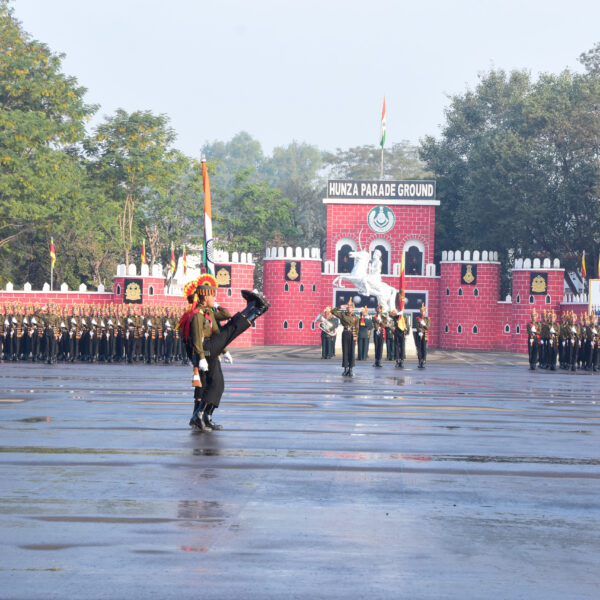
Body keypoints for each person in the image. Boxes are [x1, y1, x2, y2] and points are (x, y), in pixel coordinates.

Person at [179, 274, 270, 432]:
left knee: (218, 384)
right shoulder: (197, 315)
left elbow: (226, 315)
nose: (215, 297)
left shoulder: (208, 312)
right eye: (212, 295)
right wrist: (200, 358)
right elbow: (195, 339)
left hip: (211, 349)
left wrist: (224, 350)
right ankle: (256, 309)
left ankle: (206, 416)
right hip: (205, 350)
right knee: (229, 331)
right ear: (204, 298)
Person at [331, 299, 359, 377]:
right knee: (345, 351)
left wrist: (356, 339)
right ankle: (345, 368)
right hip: (345, 333)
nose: (349, 308)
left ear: (353, 308)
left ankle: (351, 369)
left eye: (350, 307)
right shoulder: (343, 314)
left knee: (352, 352)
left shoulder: (356, 317)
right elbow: (332, 311)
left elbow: (357, 328)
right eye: (348, 307)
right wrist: (341, 306)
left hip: (352, 334)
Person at [414, 303, 430, 368]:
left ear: (425, 312)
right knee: (419, 348)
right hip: (419, 334)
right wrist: (420, 331)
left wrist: (424, 325)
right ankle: (420, 360)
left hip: (425, 334)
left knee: (424, 348)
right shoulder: (417, 318)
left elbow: (428, 327)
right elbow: (417, 327)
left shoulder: (427, 319)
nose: (422, 312)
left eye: (423, 311)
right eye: (421, 311)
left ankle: (423, 360)